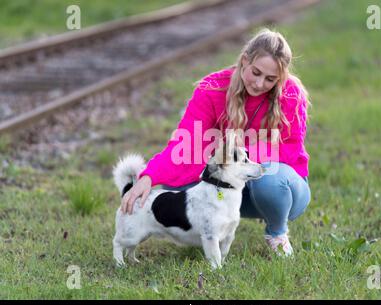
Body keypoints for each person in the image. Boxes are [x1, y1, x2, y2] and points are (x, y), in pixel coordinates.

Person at [121, 28, 311, 256]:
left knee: (269, 178)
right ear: (244, 61)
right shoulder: (213, 88)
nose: (260, 84)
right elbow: (186, 144)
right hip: (228, 186)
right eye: (256, 72)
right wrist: (149, 176)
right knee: (175, 185)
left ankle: (277, 232)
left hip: (280, 190)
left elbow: (288, 152)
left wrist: (237, 153)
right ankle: (206, 234)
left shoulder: (290, 94)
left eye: (270, 79)